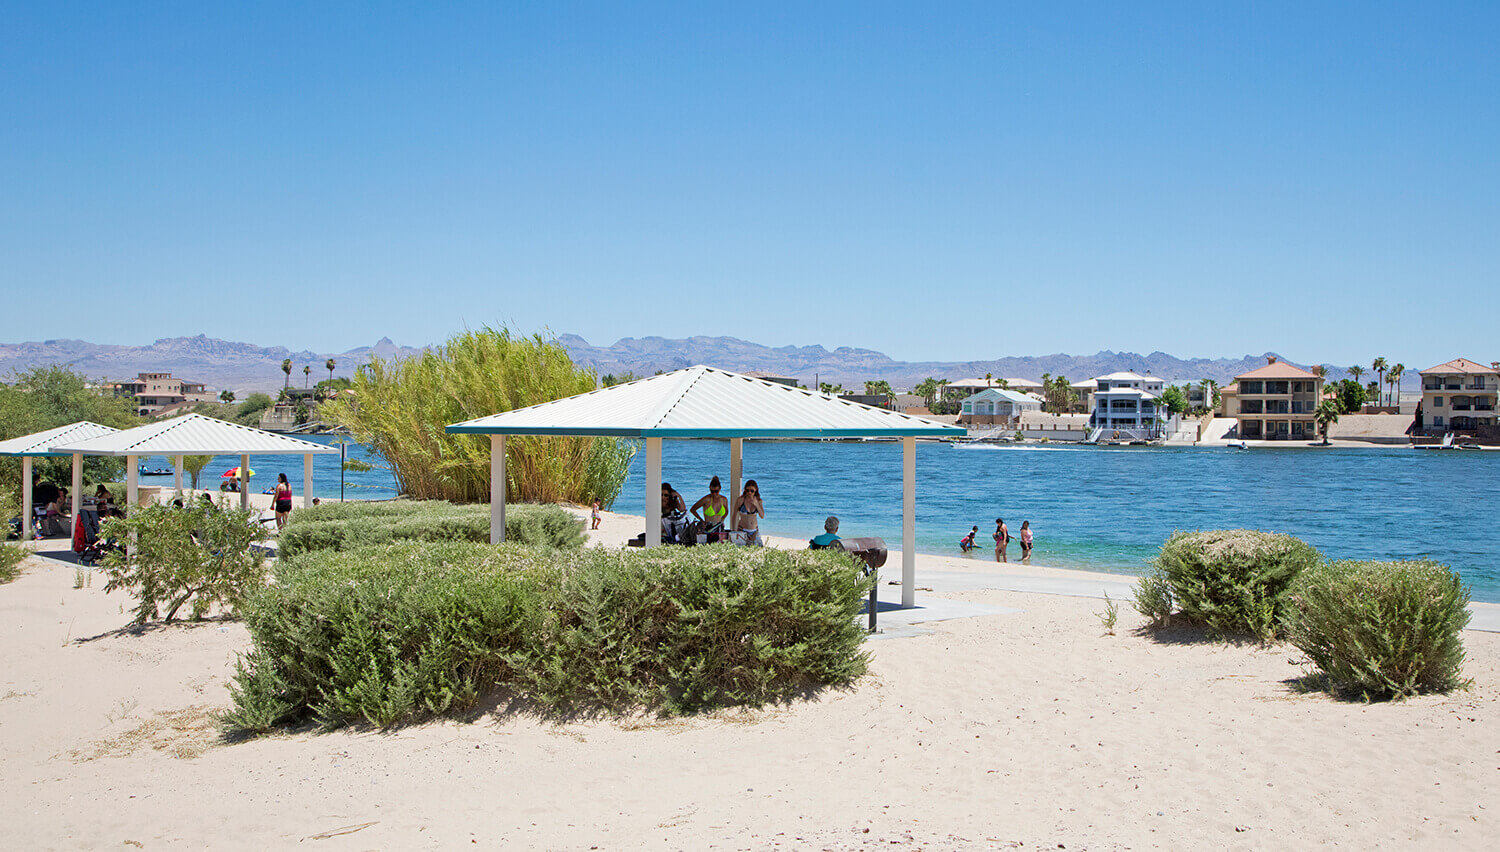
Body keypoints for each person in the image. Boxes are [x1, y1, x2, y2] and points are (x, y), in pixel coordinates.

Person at [690, 477, 729, 541]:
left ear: (720, 489)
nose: (714, 494)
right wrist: (701, 520)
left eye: (716, 491)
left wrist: (722, 519)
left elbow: (727, 511)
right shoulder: (706, 499)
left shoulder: (723, 499)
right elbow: (693, 509)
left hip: (719, 526)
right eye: (712, 491)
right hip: (708, 527)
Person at [733, 479, 764, 546]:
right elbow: (734, 515)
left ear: (755, 490)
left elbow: (762, 516)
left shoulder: (758, 501)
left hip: (754, 531)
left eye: (752, 491)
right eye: (747, 491)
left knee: (757, 550)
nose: (749, 493)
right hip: (742, 529)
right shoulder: (740, 500)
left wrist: (756, 505)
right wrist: (733, 531)